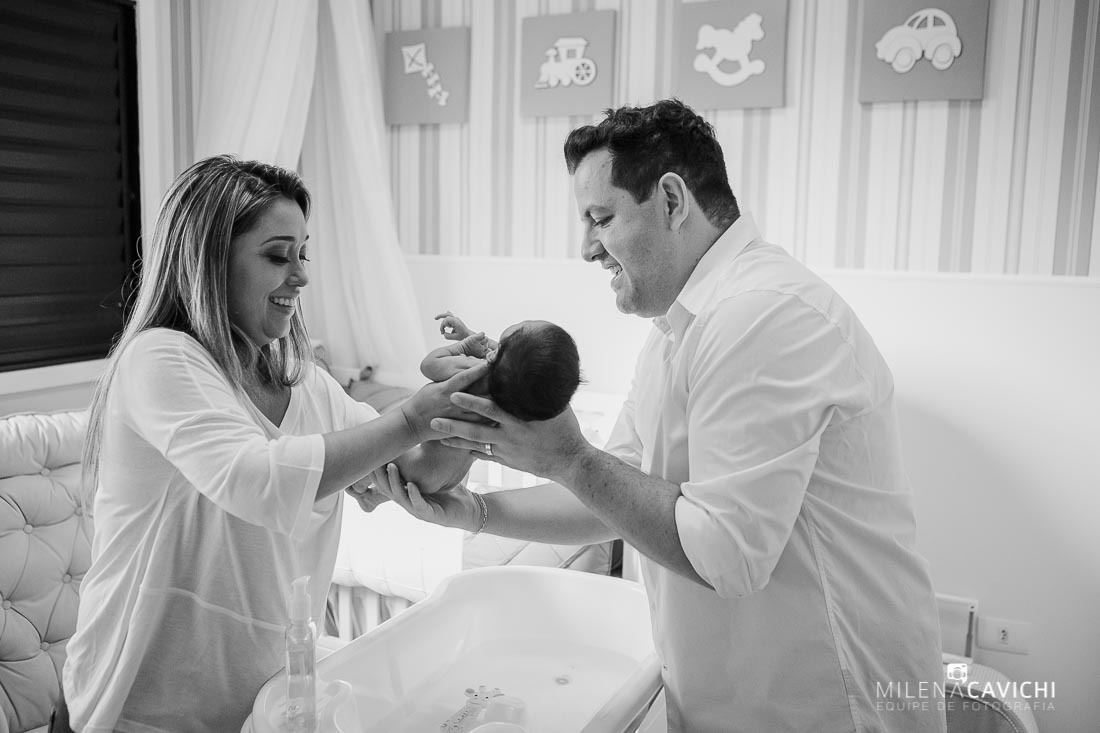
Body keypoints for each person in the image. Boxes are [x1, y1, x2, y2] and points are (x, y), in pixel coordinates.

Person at [371, 100, 946, 732]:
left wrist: (569, 457)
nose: (587, 249)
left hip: (825, 706)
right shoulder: (680, 327)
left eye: (601, 219)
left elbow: (726, 554)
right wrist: (476, 512)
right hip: (734, 700)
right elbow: (614, 495)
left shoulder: (762, 314)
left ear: (672, 200)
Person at [60, 155, 486, 733]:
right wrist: (411, 417)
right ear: (210, 262)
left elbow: (413, 473)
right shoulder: (159, 359)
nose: (301, 276)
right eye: (277, 255)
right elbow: (256, 480)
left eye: (303, 254)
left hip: (257, 703)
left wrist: (472, 397)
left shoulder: (304, 382)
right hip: (134, 708)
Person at [421, 312, 583, 421]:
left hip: (428, 456)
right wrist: (466, 334)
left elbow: (428, 365)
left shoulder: (474, 371)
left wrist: (464, 346)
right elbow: (501, 354)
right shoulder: (515, 392)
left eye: (525, 323)